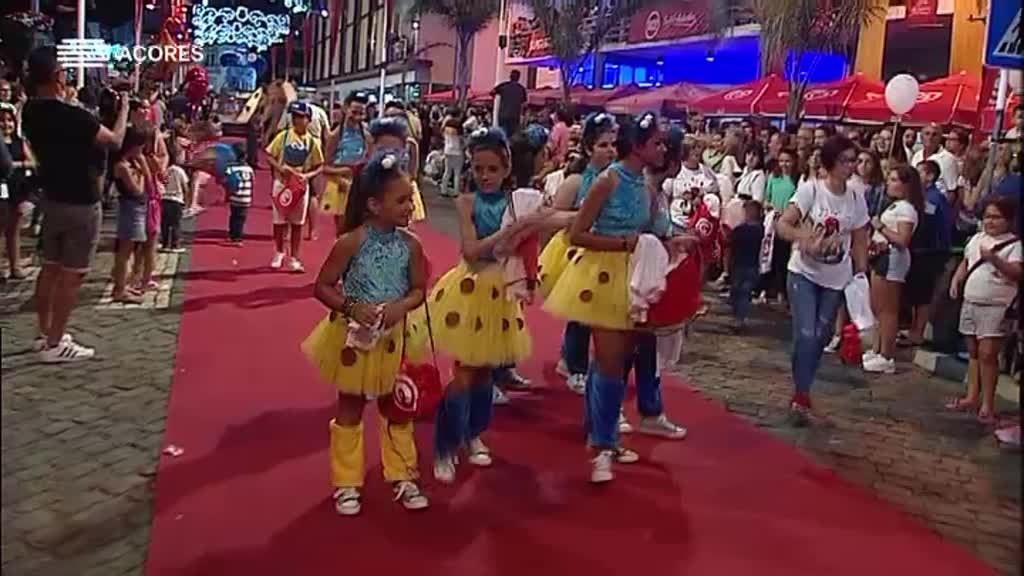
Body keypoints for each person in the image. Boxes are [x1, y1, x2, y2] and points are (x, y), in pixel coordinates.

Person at [545, 113, 691, 483]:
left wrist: (673, 241)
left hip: (636, 275)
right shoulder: (607, 181)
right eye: (656, 142)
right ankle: (602, 446)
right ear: (639, 146)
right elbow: (576, 234)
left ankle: (599, 433)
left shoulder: (646, 184)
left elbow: (652, 227)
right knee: (611, 364)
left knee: (615, 361)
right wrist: (623, 243)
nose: (662, 148)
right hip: (603, 275)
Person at [301, 152, 430, 515]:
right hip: (354, 336)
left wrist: (400, 307)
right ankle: (346, 482)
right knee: (351, 407)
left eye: (411, 198)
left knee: (398, 406)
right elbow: (323, 286)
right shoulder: (351, 242)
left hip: (396, 335)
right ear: (374, 204)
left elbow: (420, 289)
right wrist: (352, 307)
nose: (410, 206)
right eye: (402, 200)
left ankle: (403, 474)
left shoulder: (412, 246)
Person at [429, 128, 548, 484]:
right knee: (464, 373)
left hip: (501, 293)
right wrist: (510, 233)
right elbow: (471, 249)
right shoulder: (466, 202)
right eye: (478, 168)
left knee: (485, 372)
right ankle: (445, 445)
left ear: (506, 168)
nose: (484, 176)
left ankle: (474, 433)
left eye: (492, 169)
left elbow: (549, 220)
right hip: (470, 288)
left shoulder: (518, 202)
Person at [22, 46, 128, 362]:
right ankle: (56, 343)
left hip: (51, 197)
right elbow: (114, 140)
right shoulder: (73, 116)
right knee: (73, 273)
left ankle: (45, 334)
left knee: (50, 268)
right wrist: (122, 111)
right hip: (81, 201)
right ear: (57, 76)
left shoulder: (30, 111)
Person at [775, 135, 869, 424]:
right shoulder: (811, 190)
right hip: (804, 271)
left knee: (820, 335)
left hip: (836, 275)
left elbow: (860, 237)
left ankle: (801, 390)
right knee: (805, 333)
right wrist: (803, 238)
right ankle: (802, 394)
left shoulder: (855, 196)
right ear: (830, 162)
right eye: (845, 161)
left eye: (853, 160)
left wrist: (860, 273)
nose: (851, 166)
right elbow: (783, 224)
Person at [542, 114, 618, 394]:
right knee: (581, 312)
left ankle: (572, 359)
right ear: (588, 149)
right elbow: (552, 216)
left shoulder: (616, 180)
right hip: (576, 252)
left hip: (604, 250)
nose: (610, 150)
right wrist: (583, 216)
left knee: (593, 312)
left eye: (612, 144)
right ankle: (575, 365)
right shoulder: (576, 181)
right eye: (602, 145)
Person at [947, 198, 1021, 425]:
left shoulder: (1014, 244)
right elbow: (967, 261)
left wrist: (995, 260)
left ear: (1008, 220)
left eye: (996, 217)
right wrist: (957, 279)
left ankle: (988, 404)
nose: (990, 221)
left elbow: (1017, 272)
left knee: (989, 354)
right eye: (988, 216)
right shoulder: (977, 238)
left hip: (996, 305)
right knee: (974, 352)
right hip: (971, 301)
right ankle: (971, 396)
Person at [863, 165, 922, 374]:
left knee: (888, 310)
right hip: (880, 256)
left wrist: (881, 228)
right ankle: (877, 348)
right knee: (877, 308)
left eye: (895, 180)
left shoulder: (907, 209)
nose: (889, 183)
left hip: (893, 260)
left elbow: (903, 240)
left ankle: (887, 355)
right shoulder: (893, 206)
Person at [265, 100, 324, 272]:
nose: (298, 120)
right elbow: (269, 155)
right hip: (282, 184)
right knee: (279, 221)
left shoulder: (313, 142)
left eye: (302, 117)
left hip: (300, 186)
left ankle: (295, 258)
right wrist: (279, 168)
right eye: (295, 117)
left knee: (298, 223)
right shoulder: (283, 137)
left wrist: (307, 176)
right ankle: (278, 252)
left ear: (309, 119)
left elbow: (319, 165)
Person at [110, 125, 152, 305]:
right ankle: (120, 289)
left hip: (138, 207)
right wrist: (141, 171)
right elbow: (137, 189)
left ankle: (123, 285)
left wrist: (142, 165)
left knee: (132, 249)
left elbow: (149, 182)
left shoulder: (133, 163)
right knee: (124, 252)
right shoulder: (121, 166)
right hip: (130, 207)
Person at [323, 91, 370, 237]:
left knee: (361, 230)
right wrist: (342, 173)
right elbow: (324, 167)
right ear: (346, 109)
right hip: (340, 185)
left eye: (361, 113)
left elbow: (371, 159)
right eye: (354, 112)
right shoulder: (336, 134)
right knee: (343, 231)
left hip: (361, 185)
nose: (357, 116)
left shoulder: (367, 134)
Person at [1, 103, 35, 279]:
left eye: (9, 120)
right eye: (2, 121)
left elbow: (32, 162)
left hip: (17, 188)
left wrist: (15, 165)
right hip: (2, 189)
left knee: (14, 229)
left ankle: (15, 266)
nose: (6, 124)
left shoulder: (19, 142)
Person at [730, 200, 765, 332]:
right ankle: (737, 317)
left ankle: (740, 319)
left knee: (744, 292)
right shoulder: (740, 229)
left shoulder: (761, 230)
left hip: (752, 266)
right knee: (736, 292)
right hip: (739, 264)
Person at [159, 137, 188, 253]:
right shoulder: (179, 171)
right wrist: (187, 199)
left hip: (164, 199)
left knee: (164, 224)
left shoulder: (164, 170)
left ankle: (165, 243)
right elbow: (185, 186)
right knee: (176, 224)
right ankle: (175, 244)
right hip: (176, 200)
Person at [224, 144, 255, 245]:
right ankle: (238, 236)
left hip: (235, 197)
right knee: (241, 218)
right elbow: (253, 181)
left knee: (234, 217)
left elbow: (228, 184)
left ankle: (235, 237)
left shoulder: (231, 169)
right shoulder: (249, 169)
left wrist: (227, 196)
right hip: (246, 197)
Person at [491, 70, 528, 136]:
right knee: (512, 135)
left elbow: (492, 92)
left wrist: (494, 99)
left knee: (502, 133)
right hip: (514, 116)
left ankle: (504, 145)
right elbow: (524, 103)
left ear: (510, 77)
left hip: (503, 114)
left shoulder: (504, 85)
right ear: (518, 78)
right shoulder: (521, 89)